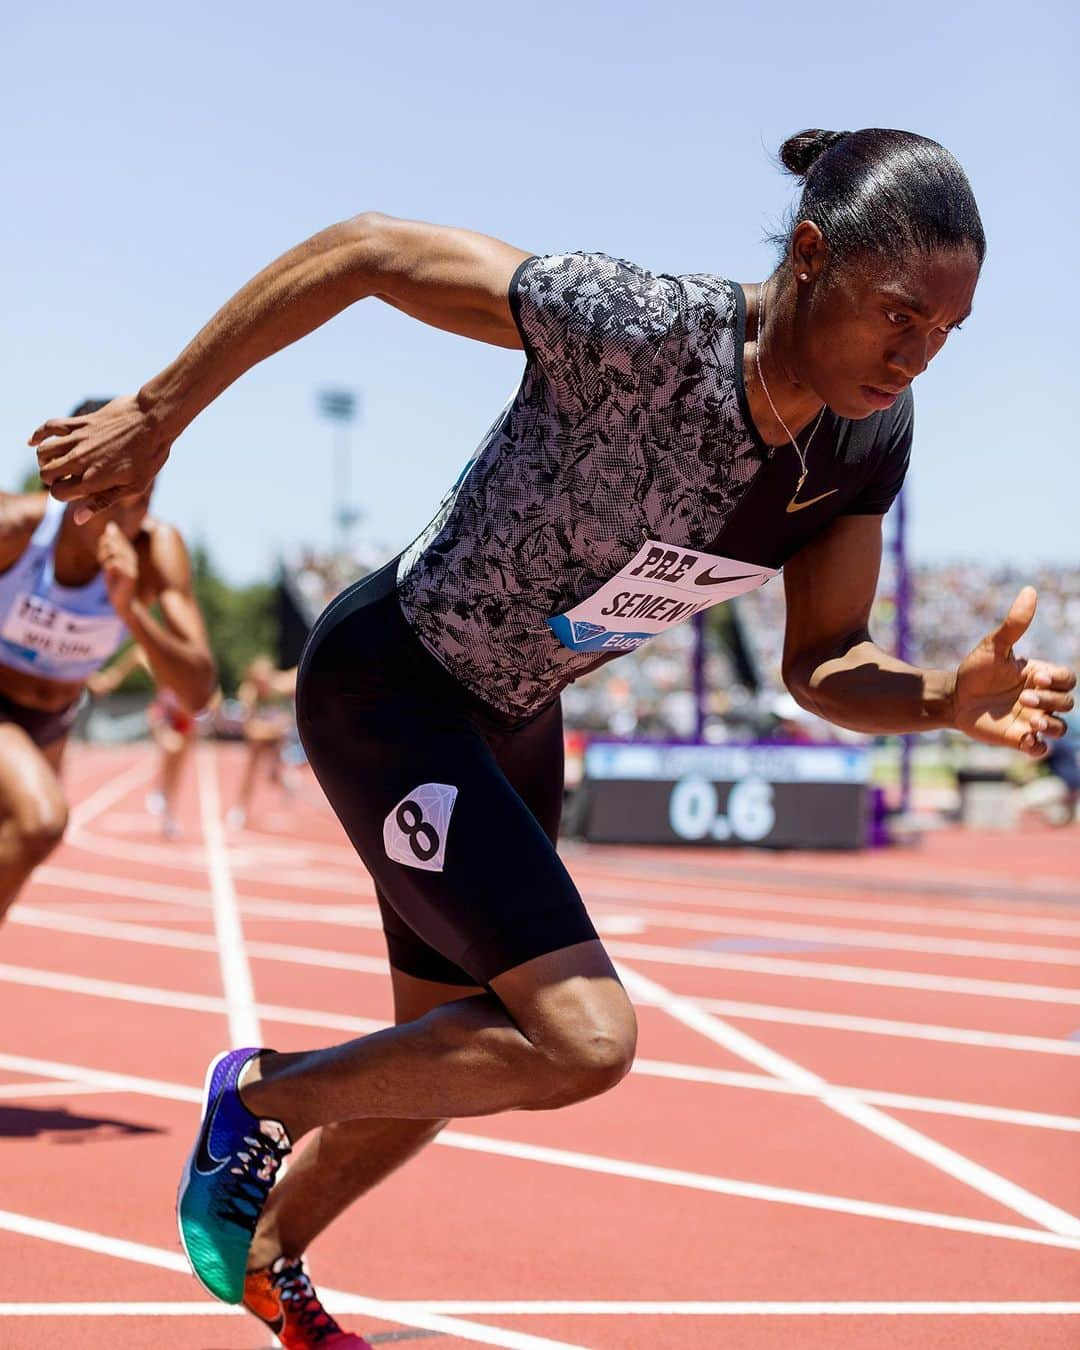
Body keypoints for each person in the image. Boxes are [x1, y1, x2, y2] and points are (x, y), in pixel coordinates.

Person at [30, 129, 1076, 1349]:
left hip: (517, 718)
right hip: (390, 685)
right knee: (583, 1039)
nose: (917, 355)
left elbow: (822, 662)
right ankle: (254, 1097)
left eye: (946, 334)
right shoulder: (636, 330)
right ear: (810, 257)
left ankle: (268, 1260)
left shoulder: (865, 442)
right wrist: (157, 414)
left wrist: (938, 699)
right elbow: (367, 251)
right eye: (900, 313)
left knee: (444, 1059)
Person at [0, 400, 216, 921]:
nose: (126, 517)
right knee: (41, 822)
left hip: (51, 724)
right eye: (110, 500)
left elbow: (199, 690)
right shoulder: (16, 530)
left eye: (140, 500)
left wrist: (132, 612)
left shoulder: (153, 552)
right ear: (67, 484)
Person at [88, 643, 212, 839]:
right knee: (170, 748)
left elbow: (211, 689)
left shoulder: (194, 671)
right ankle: (159, 791)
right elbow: (138, 653)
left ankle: (168, 814)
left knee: (177, 767)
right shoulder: (163, 672)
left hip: (185, 720)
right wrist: (113, 676)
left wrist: (204, 710)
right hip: (164, 716)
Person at [226, 656, 298, 830]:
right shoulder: (248, 694)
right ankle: (240, 808)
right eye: (259, 681)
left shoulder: (281, 684)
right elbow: (250, 729)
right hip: (261, 735)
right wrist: (271, 728)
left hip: (278, 737)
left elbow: (300, 670)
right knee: (250, 770)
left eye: (266, 679)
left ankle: (282, 778)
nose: (263, 684)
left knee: (272, 776)